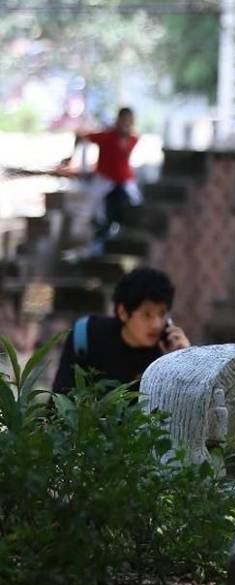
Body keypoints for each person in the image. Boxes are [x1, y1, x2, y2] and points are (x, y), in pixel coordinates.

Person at [51, 266, 190, 394]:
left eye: (162, 314)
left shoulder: (164, 355)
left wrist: (186, 360)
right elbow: (59, 399)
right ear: (123, 312)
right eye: (147, 315)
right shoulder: (87, 336)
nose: (157, 324)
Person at [61, 107, 142, 251]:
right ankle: (93, 242)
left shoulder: (133, 139)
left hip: (124, 181)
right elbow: (81, 136)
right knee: (94, 210)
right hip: (105, 180)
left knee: (136, 205)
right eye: (123, 120)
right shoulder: (107, 136)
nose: (125, 124)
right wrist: (72, 157)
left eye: (128, 121)